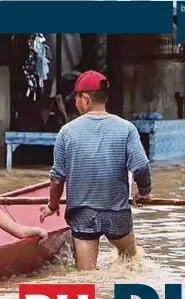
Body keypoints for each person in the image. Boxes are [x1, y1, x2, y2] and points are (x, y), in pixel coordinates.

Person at [39, 70, 152, 268]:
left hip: (83, 216)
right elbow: (141, 167)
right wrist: (144, 193)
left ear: (85, 98)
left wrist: (53, 205)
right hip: (116, 213)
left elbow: (57, 178)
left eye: (76, 98)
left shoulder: (66, 132)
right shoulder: (126, 128)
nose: (75, 103)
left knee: (86, 277)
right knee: (131, 261)